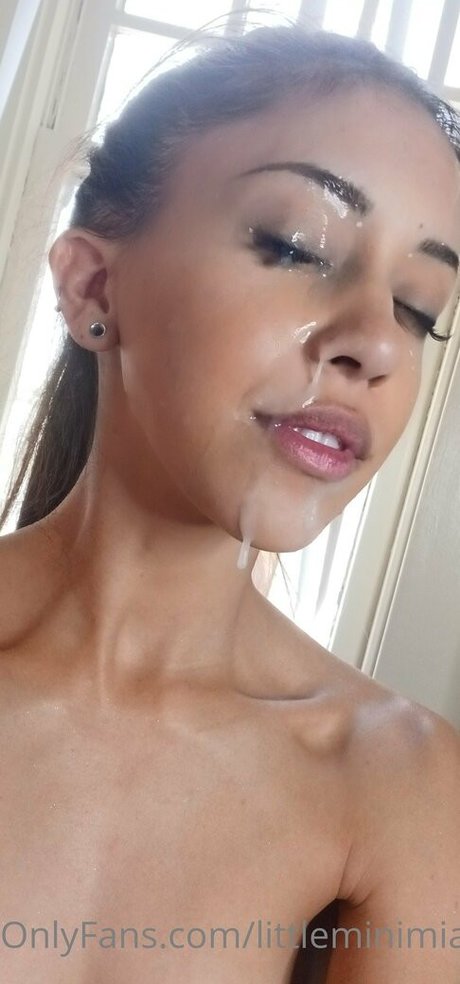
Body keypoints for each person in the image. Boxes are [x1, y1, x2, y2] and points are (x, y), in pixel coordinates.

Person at [0, 19, 459, 983]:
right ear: (94, 284)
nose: (378, 342)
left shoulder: (404, 785)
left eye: (419, 308)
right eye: (295, 246)